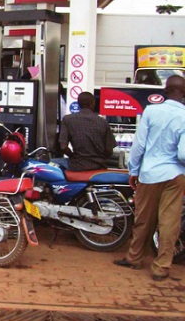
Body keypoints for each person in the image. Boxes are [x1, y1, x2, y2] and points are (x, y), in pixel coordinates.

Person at [114, 75, 185, 281]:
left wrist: (133, 171)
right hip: (176, 175)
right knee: (169, 223)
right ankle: (161, 267)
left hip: (150, 174)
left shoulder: (152, 111)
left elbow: (139, 146)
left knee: (144, 218)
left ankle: (134, 258)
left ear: (165, 91)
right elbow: (182, 154)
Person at [57, 91, 116, 171]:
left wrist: (72, 156)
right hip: (98, 166)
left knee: (52, 163)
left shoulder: (67, 120)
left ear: (78, 103)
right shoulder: (102, 122)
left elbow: (63, 147)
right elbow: (109, 150)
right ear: (92, 103)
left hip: (76, 165)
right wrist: (100, 158)